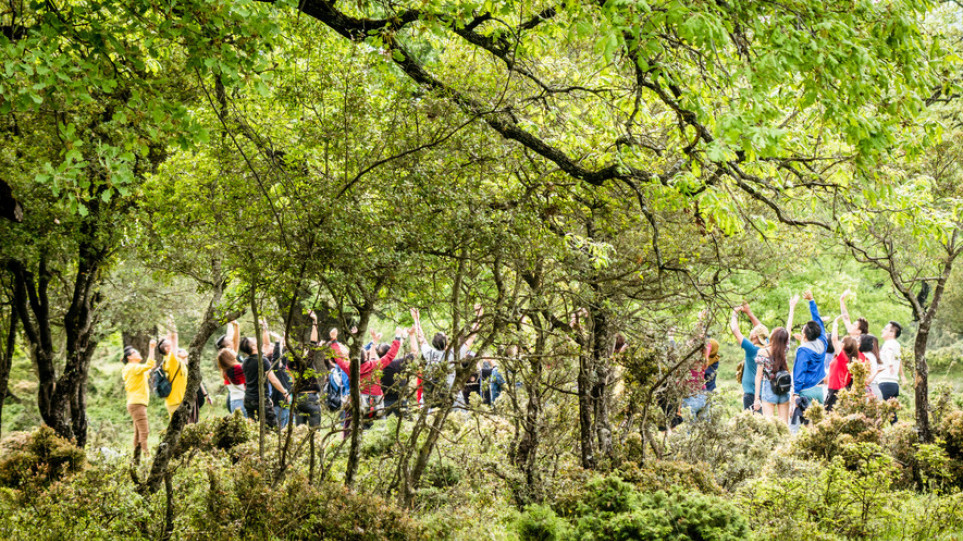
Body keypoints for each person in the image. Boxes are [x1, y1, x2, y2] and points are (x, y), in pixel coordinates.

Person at [411, 306, 482, 406]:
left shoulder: (429, 353)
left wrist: (416, 319)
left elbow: (420, 338)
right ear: (447, 342)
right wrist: (479, 317)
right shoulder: (454, 355)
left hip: (430, 398)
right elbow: (472, 337)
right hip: (449, 397)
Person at [328, 328, 403, 421]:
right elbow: (390, 355)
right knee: (381, 425)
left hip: (360, 401)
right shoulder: (375, 365)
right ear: (366, 356)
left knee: (361, 425)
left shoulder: (349, 368)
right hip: (377, 402)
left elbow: (338, 358)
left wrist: (334, 340)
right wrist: (398, 337)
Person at [240, 321, 290, 428]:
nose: (257, 340)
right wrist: (285, 392)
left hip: (248, 399)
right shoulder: (262, 360)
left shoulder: (245, 361)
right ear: (254, 347)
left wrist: (264, 328)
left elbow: (266, 344)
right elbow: (273, 380)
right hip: (260, 400)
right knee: (273, 428)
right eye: (254, 341)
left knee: (253, 428)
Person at [730, 303, 770, 411]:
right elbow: (761, 330)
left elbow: (735, 330)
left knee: (751, 425)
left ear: (754, 336)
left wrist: (734, 314)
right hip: (765, 394)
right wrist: (749, 313)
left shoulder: (752, 349)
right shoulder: (767, 346)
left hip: (752, 395)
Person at [790, 291, 828, 406]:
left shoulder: (803, 350)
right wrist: (811, 301)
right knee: (818, 421)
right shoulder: (823, 342)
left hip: (806, 390)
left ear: (804, 335)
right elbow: (817, 320)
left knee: (806, 423)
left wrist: (796, 392)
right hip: (819, 390)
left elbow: (799, 371)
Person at [122, 340, 155, 462]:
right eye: (135, 352)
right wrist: (151, 348)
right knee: (144, 432)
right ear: (130, 357)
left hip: (135, 403)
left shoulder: (130, 369)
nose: (138, 353)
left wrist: (150, 369)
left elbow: (147, 371)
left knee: (137, 434)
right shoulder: (133, 367)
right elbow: (149, 365)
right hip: (137, 404)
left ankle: (135, 460)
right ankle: (147, 458)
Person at [290, 310, 324, 428]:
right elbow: (313, 342)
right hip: (311, 397)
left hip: (299, 398)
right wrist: (314, 321)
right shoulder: (307, 362)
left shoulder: (292, 365)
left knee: (300, 431)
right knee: (315, 431)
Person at [753, 328, 792, 425]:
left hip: (769, 388)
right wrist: (791, 312)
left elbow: (758, 376)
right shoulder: (784, 350)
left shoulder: (763, 352)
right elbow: (788, 331)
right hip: (784, 388)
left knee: (769, 426)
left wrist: (756, 399)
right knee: (784, 426)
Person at [826, 316, 863, 411]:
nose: (839, 343)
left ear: (845, 345)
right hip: (834, 389)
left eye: (842, 342)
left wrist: (835, 323)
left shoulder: (844, 358)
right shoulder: (845, 358)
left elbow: (834, 339)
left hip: (836, 389)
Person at [158, 321, 187, 418]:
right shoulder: (172, 360)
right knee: (180, 431)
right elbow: (173, 337)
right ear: (167, 349)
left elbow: (170, 337)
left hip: (177, 401)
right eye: (169, 344)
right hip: (176, 402)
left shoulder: (170, 360)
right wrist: (169, 316)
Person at [878, 321, 904, 422]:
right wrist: (902, 375)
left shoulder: (889, 343)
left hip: (885, 382)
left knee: (880, 412)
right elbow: (899, 360)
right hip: (893, 384)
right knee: (891, 415)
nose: (882, 330)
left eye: (885, 329)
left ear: (892, 333)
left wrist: (890, 364)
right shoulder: (897, 344)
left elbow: (889, 353)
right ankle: (897, 434)